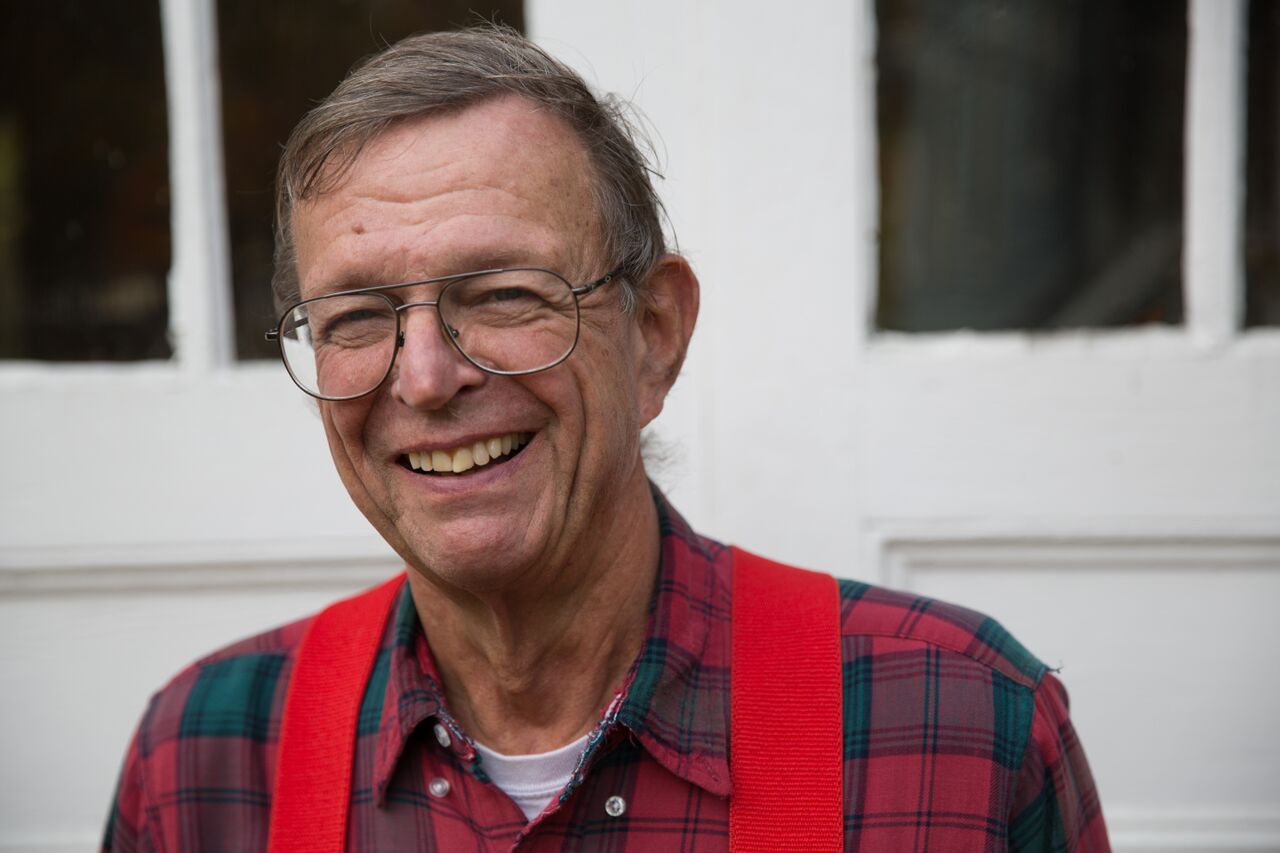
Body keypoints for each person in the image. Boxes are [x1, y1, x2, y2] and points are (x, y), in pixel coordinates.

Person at [103, 26, 1109, 852]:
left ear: (654, 334)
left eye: (502, 294)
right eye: (356, 317)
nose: (424, 377)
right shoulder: (204, 765)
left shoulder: (956, 730)